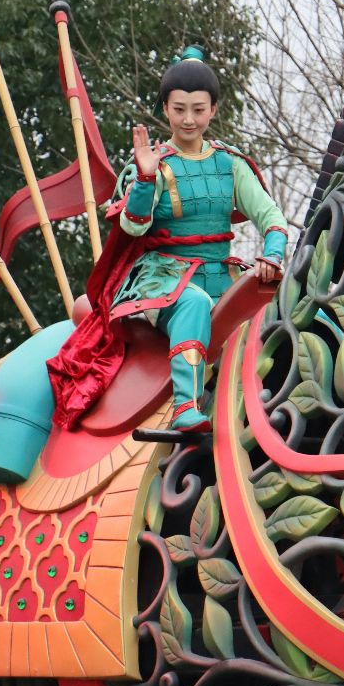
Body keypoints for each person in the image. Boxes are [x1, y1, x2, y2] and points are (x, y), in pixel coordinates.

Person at [48, 47, 288, 433]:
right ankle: (185, 407)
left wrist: (272, 256)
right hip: (165, 279)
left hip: (222, 274)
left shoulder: (231, 163)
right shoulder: (153, 162)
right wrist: (144, 179)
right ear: (165, 110)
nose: (189, 119)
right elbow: (133, 227)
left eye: (198, 109)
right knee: (191, 303)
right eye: (179, 109)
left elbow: (271, 217)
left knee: (286, 302)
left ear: (213, 109)